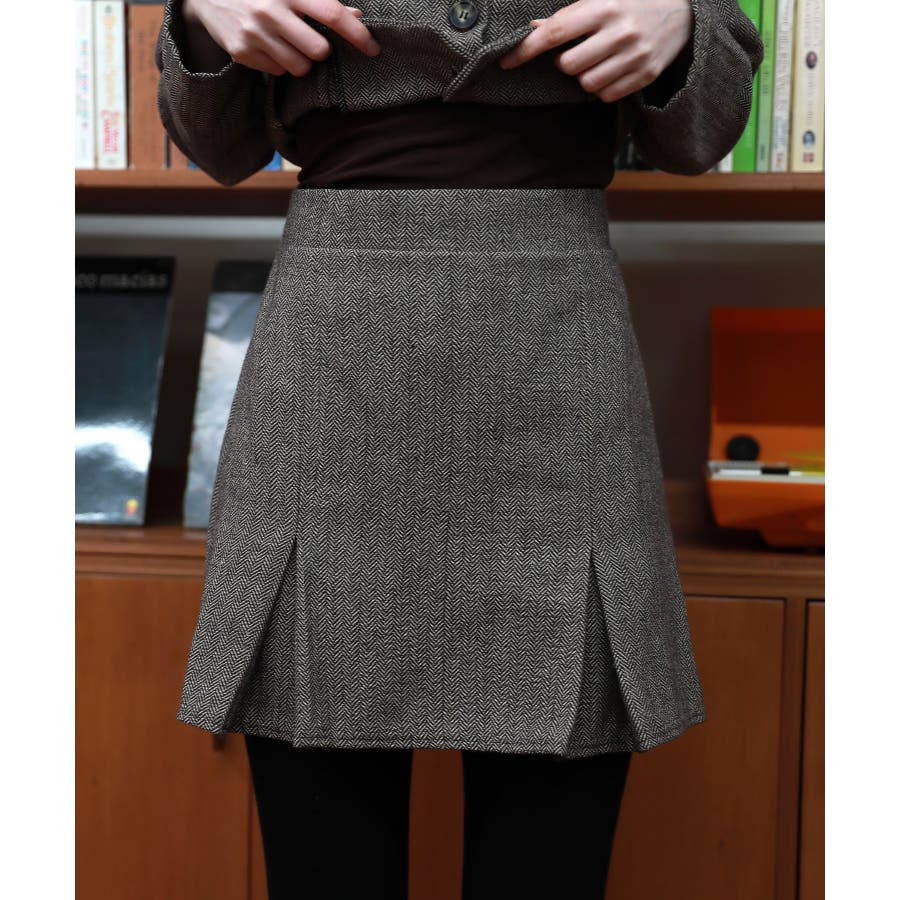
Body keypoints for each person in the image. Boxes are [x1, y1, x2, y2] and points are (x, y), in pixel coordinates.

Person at [155, 1, 764, 897]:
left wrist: (684, 18)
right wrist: (204, 15)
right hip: (333, 352)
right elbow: (215, 144)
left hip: (561, 350)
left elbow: (702, 133)